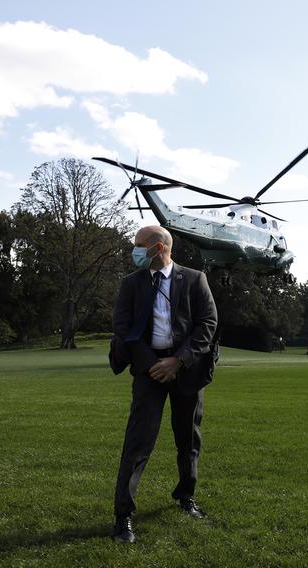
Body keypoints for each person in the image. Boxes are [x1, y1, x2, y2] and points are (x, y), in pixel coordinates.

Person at [109, 225, 218, 544]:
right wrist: (152, 364)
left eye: (139, 245)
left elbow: (207, 324)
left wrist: (178, 361)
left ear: (159, 248)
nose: (134, 251)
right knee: (137, 442)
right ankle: (123, 515)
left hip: (186, 370)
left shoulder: (195, 279)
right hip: (148, 370)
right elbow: (122, 325)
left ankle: (186, 496)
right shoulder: (131, 283)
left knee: (188, 440)